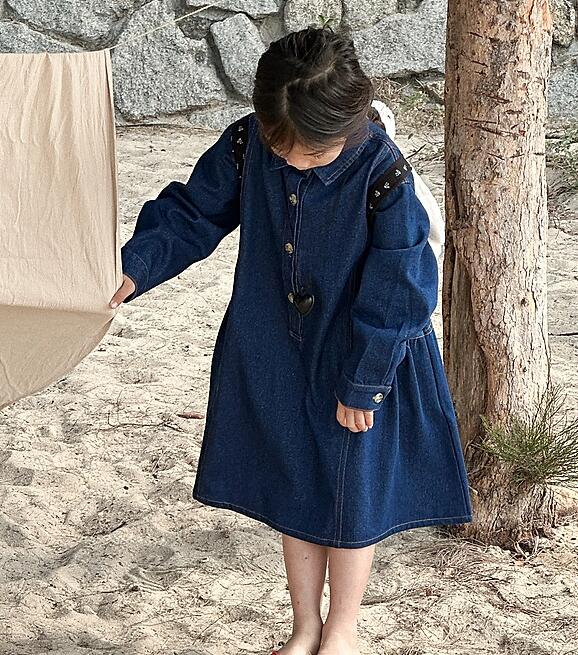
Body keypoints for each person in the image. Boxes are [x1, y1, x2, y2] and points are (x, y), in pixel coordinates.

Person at [110, 26, 473, 655]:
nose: (295, 163)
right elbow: (193, 213)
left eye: (313, 153)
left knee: (350, 491)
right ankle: (305, 626)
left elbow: (402, 286)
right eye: (284, 150)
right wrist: (134, 266)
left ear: (348, 125)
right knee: (294, 481)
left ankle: (342, 630)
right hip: (277, 343)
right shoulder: (249, 143)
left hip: (360, 352)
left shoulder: (385, 175)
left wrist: (364, 380)